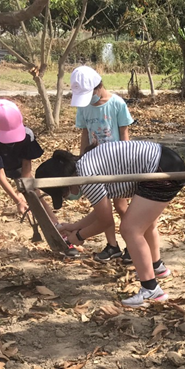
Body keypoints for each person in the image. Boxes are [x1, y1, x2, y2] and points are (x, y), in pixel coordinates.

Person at [35, 141, 185, 306]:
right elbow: (101, 212)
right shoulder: (85, 165)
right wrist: (73, 227)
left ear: (65, 182)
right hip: (165, 161)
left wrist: (77, 237)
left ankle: (151, 290)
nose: (67, 196)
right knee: (144, 222)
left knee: (130, 229)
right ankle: (157, 267)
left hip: (161, 169)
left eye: (63, 193)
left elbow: (105, 221)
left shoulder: (86, 176)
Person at [0, 99, 55, 269]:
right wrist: (17, 201)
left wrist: (22, 192)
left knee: (37, 196)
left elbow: (26, 169)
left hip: (17, 167)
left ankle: (62, 235)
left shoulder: (28, 135)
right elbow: (0, 175)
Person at [70, 65, 136, 264]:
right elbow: (84, 133)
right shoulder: (84, 107)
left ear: (98, 87)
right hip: (94, 164)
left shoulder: (117, 104)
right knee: (103, 207)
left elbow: (124, 133)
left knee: (121, 206)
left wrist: (126, 161)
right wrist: (81, 160)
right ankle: (112, 245)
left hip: (116, 163)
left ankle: (132, 245)